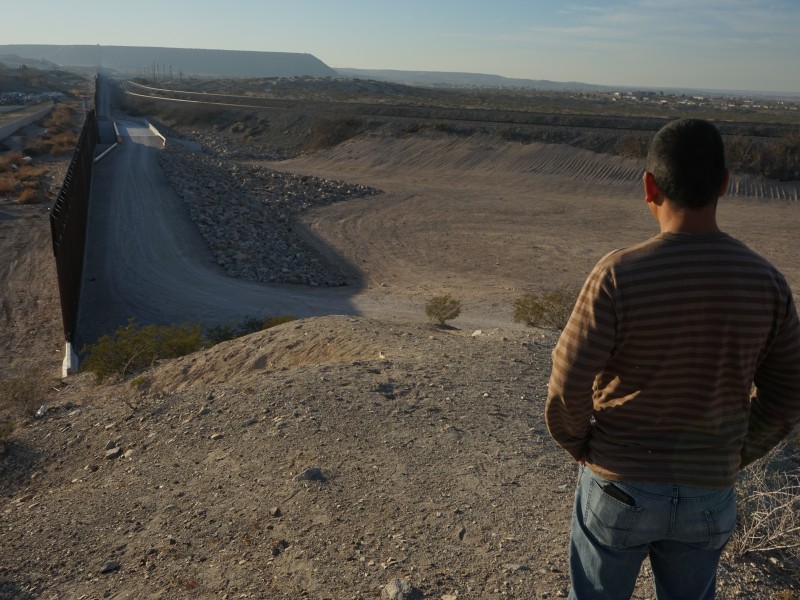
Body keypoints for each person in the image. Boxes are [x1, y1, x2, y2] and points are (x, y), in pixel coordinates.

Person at [545, 118, 800, 600]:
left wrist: (583, 445)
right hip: (709, 492)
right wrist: (732, 454)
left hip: (618, 485)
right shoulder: (766, 283)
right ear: (726, 184)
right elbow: (788, 394)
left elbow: (566, 382)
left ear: (648, 186)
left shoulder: (617, 275)